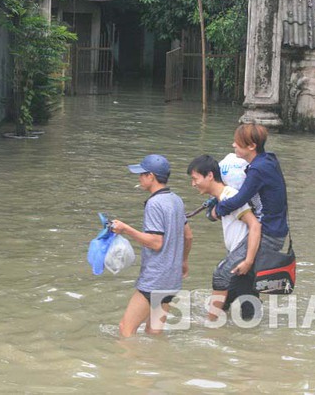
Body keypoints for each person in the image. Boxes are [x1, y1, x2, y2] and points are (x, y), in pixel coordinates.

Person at [111, 154, 193, 337]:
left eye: (141, 174)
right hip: (171, 279)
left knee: (126, 328)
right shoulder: (176, 200)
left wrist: (125, 229)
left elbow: (156, 243)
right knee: (154, 332)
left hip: (155, 279)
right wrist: (183, 261)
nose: (139, 178)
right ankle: (154, 363)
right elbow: (188, 236)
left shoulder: (154, 203)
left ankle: (128, 364)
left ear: (151, 176)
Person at [187, 154, 262, 321]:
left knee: (221, 276)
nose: (193, 184)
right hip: (237, 253)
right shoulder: (223, 198)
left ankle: (210, 326)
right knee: (241, 302)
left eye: (195, 178)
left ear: (210, 175)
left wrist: (248, 260)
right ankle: (249, 338)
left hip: (244, 254)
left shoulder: (230, 196)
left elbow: (255, 226)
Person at [213, 124, 289, 255]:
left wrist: (217, 210)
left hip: (268, 234)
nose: (233, 145)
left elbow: (239, 200)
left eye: (238, 143)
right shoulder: (268, 160)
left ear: (252, 146)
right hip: (277, 230)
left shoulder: (258, 169)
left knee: (226, 272)